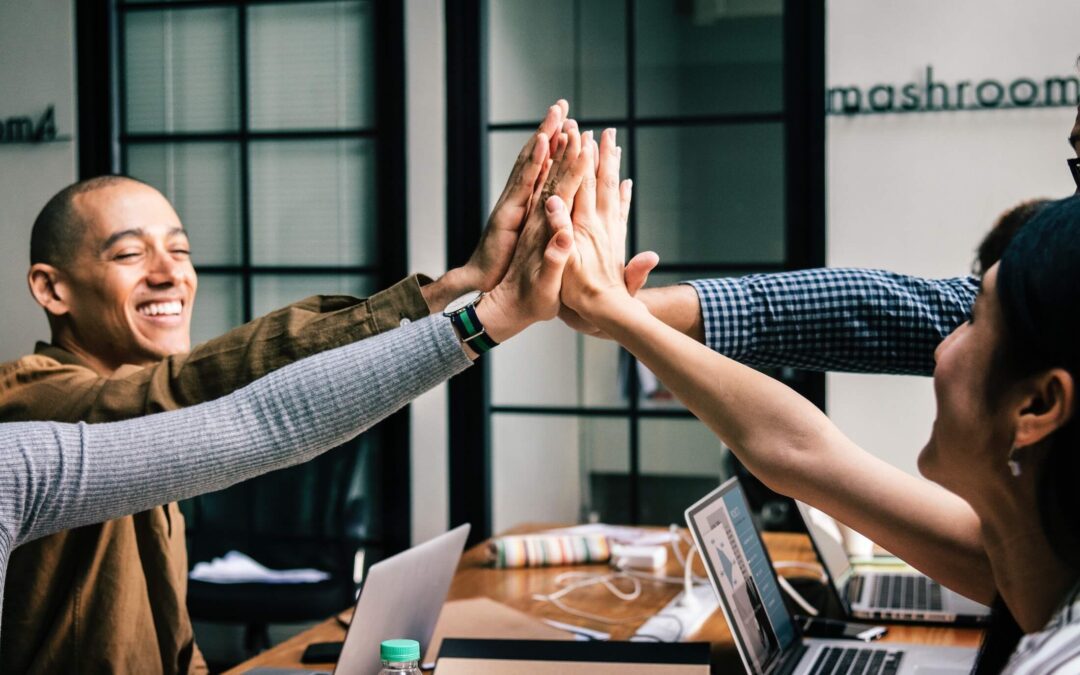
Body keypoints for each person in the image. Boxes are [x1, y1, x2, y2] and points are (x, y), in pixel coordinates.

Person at [0, 104, 627, 673]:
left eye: (181, 251)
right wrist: (457, 291)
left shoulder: (150, 420)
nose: (171, 275)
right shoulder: (33, 407)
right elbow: (210, 398)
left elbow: (168, 642)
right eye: (130, 255)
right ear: (53, 289)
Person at [554, 131, 1080, 671]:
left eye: (971, 319)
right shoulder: (1044, 568)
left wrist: (616, 310)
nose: (940, 345)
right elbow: (801, 450)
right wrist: (621, 314)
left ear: (1038, 406)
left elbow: (809, 441)